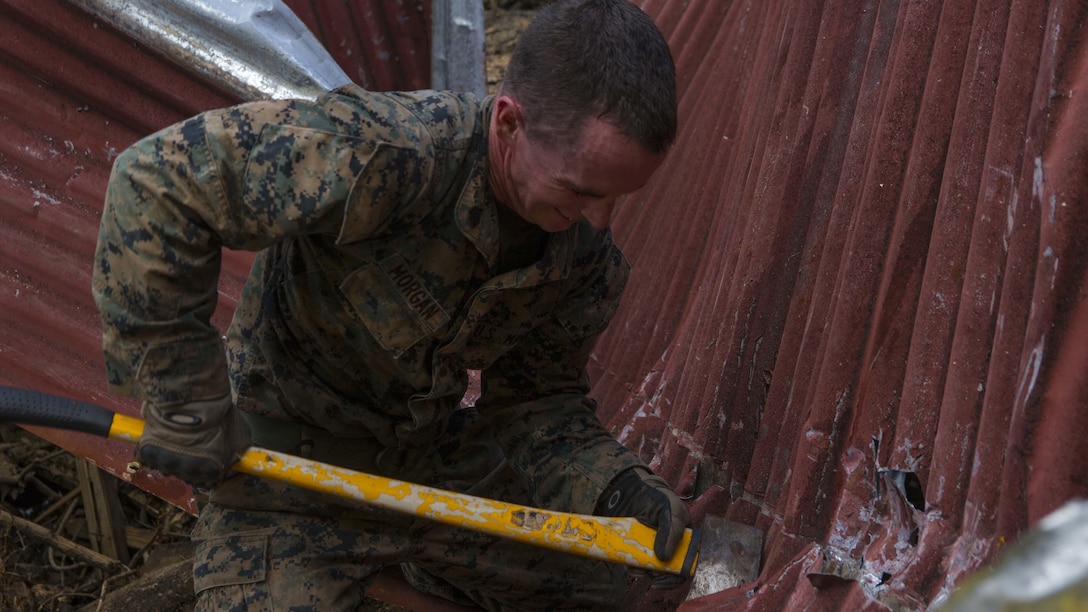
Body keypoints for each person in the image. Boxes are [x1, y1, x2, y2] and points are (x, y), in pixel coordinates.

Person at [91, 0, 689, 609]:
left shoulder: (581, 255)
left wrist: (614, 489)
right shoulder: (390, 153)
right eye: (583, 191)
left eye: (619, 197)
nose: (599, 218)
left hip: (434, 471)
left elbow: (538, 401)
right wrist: (183, 397)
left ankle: (435, 572)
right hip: (283, 479)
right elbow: (156, 183)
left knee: (627, 591)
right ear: (509, 124)